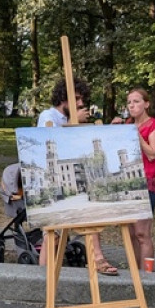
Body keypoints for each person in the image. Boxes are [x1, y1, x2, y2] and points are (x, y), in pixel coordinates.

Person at [37, 78, 118, 275]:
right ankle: (41, 278)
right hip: (51, 183)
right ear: (63, 98)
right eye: (77, 99)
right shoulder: (48, 116)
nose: (81, 104)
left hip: (72, 177)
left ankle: (97, 258)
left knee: (89, 216)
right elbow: (50, 146)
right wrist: (75, 123)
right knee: (52, 236)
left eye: (82, 99)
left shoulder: (68, 119)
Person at [112, 87, 155, 266]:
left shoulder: (154, 125)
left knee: (143, 234)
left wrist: (136, 136)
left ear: (146, 104)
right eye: (129, 102)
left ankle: (147, 276)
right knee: (131, 234)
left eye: (136, 101)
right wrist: (112, 130)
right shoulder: (126, 125)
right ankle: (134, 272)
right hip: (126, 184)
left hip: (145, 184)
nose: (132, 105)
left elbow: (152, 153)